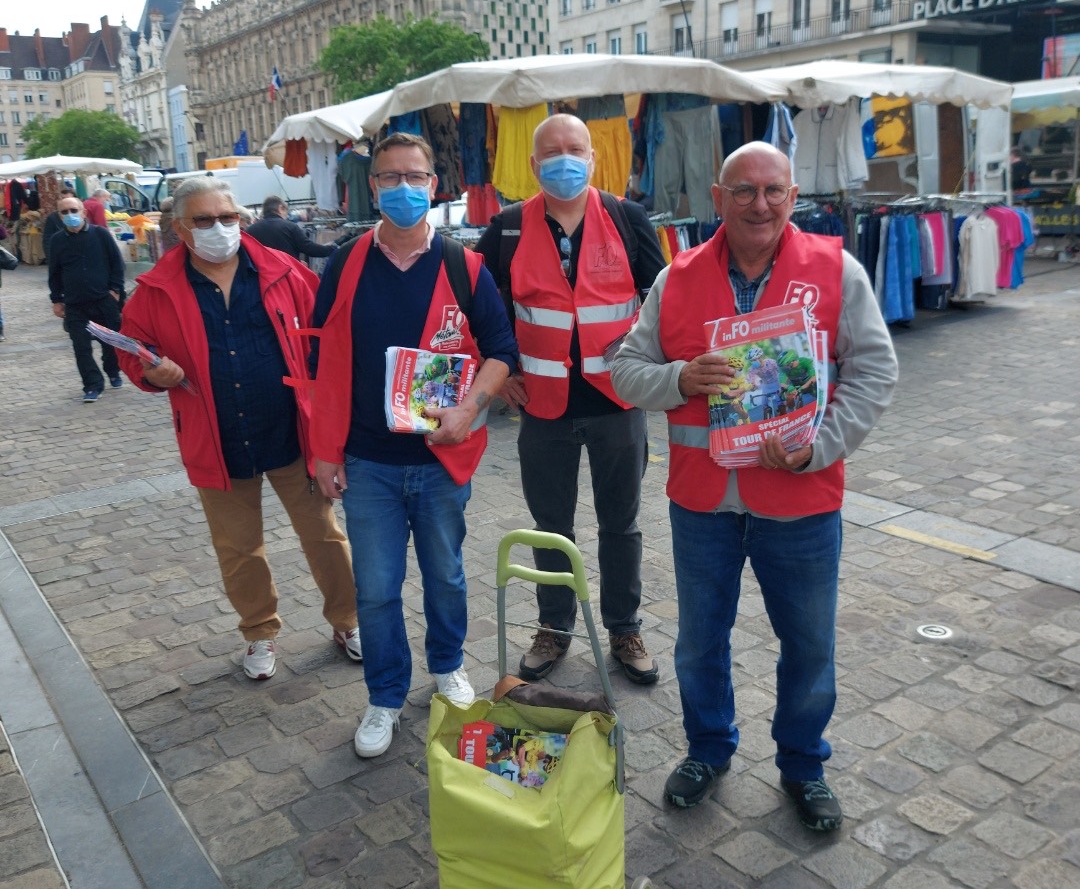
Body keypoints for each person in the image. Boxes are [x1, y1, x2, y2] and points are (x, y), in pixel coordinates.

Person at [611, 142, 898, 831]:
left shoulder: (837, 270)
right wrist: (680, 378)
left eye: (773, 190)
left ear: (793, 197)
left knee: (809, 646)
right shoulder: (676, 277)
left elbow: (874, 372)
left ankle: (803, 764)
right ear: (718, 198)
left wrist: (818, 448)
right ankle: (708, 750)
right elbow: (624, 371)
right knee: (698, 643)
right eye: (743, 190)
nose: (759, 204)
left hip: (800, 502)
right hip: (703, 504)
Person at [310, 132, 517, 759]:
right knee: (375, 589)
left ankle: (448, 664)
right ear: (372, 187)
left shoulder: (463, 265)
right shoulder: (345, 264)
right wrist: (325, 451)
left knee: (445, 576)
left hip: (439, 459)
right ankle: (385, 695)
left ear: (434, 184)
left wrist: (470, 408)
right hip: (368, 462)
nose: (404, 188)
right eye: (391, 177)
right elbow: (323, 365)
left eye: (415, 177)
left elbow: (501, 352)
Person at [117, 175, 361, 680]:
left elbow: (328, 337)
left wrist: (332, 414)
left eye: (227, 217)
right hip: (216, 438)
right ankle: (258, 632)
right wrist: (151, 372)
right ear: (180, 227)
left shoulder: (285, 272)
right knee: (238, 548)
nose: (219, 228)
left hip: (291, 433)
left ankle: (349, 621)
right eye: (204, 220)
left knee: (324, 535)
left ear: (241, 218)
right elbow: (134, 349)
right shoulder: (157, 289)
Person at [476, 113, 666, 686]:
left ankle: (624, 629)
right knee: (551, 525)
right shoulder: (507, 227)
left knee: (621, 525)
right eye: (552, 152)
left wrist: (657, 371)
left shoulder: (628, 219)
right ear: (534, 165)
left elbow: (665, 300)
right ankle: (554, 628)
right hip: (542, 407)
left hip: (617, 403)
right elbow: (481, 309)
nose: (565, 159)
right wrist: (500, 375)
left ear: (592, 157)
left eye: (575, 149)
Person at [48, 193, 126, 402]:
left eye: (73, 210)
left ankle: (113, 371)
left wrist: (115, 290)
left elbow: (117, 263)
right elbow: (54, 272)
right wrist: (56, 299)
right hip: (75, 304)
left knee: (111, 342)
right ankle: (92, 385)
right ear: (60, 216)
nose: (70, 214)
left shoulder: (100, 235)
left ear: (83, 212)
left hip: (103, 299)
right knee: (81, 347)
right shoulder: (57, 241)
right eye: (64, 212)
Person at [247, 195, 331, 262]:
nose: (286, 216)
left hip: (260, 276)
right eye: (286, 212)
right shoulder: (291, 227)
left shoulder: (250, 231)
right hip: (287, 274)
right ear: (281, 208)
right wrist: (333, 248)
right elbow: (309, 248)